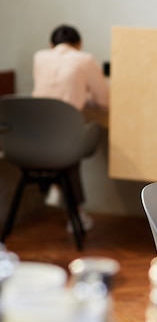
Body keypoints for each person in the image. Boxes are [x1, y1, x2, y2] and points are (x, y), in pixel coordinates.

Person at [32, 24, 110, 232]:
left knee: (64, 142)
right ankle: (75, 212)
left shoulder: (39, 57)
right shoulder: (85, 59)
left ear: (51, 45)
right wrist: (84, 98)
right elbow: (104, 102)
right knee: (73, 143)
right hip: (65, 138)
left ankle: (57, 187)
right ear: (79, 44)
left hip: (30, 136)